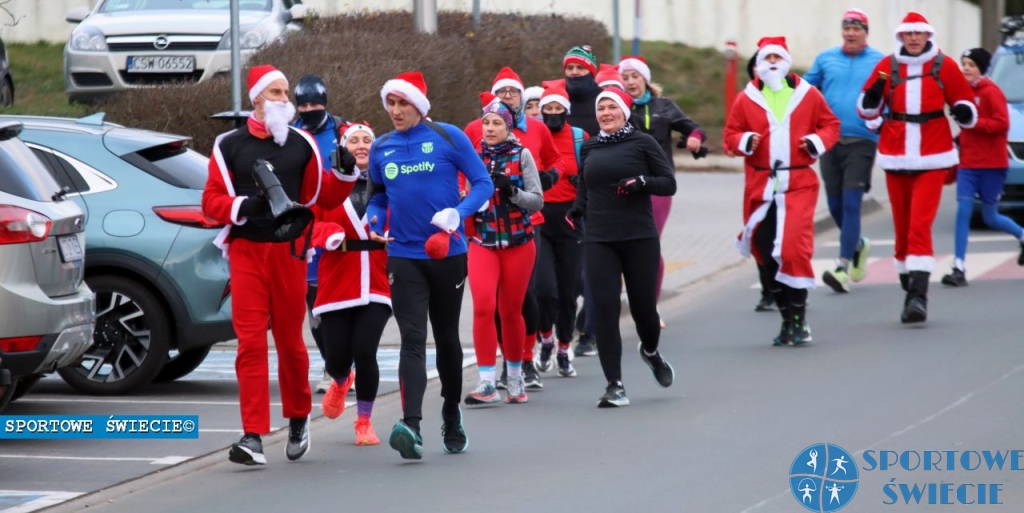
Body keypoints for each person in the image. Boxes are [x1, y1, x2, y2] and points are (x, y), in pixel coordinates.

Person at [202, 65, 357, 465]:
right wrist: (245, 206)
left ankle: (299, 417)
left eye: (286, 93)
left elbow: (322, 199)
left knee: (290, 342)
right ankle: (252, 435)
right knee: (251, 343)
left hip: (290, 251)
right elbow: (211, 202)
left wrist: (344, 172)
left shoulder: (302, 143)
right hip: (247, 251)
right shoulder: (229, 145)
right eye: (276, 92)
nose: (285, 100)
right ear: (256, 98)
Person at [366, 71, 491, 460]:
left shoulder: (447, 136)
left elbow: (483, 183)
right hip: (403, 255)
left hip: (447, 253)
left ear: (418, 105)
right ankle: (412, 425)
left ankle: (451, 412)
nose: (396, 110)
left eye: (403, 103)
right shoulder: (381, 147)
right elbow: (377, 197)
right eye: (391, 103)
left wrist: (458, 213)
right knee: (412, 337)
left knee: (447, 338)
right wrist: (373, 222)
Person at [857, 12, 977, 323]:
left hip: (933, 155)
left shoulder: (944, 65)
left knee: (919, 226)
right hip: (896, 153)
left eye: (918, 33)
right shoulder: (886, 66)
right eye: (908, 34)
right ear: (901, 36)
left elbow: (965, 101)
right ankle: (909, 279)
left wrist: (964, 111)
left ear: (927, 36)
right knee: (902, 229)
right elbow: (867, 110)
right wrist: (871, 98)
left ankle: (917, 298)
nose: (913, 39)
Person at [723, 37, 841, 346]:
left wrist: (814, 142)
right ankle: (787, 318)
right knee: (765, 251)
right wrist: (746, 141)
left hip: (798, 182)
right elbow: (730, 136)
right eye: (767, 58)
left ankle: (799, 319)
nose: (773, 62)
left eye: (777, 57)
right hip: (760, 184)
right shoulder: (746, 98)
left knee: (791, 250)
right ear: (759, 64)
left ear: (786, 62)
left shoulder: (807, 94)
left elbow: (831, 126)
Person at [567, 87, 677, 407]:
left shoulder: (643, 143)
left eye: (611, 107)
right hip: (599, 238)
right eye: (601, 108)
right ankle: (614, 385)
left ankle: (651, 351)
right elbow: (585, 184)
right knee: (604, 308)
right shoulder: (589, 146)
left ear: (624, 112)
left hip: (639, 236)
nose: (605, 113)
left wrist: (642, 182)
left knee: (644, 310)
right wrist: (577, 208)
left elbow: (668, 183)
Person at [464, 67, 563, 391]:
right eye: (486, 123)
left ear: (509, 126)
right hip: (483, 241)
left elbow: (537, 201)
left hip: (519, 240)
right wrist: (465, 201)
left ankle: (518, 371)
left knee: (511, 309)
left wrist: (512, 192)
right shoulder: (472, 155)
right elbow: (462, 192)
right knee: (483, 307)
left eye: (497, 123)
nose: (489, 128)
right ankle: (486, 381)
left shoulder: (523, 154)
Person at [309, 121, 391, 446]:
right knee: (337, 359)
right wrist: (327, 233)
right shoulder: (327, 187)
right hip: (336, 279)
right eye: (353, 141)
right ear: (343, 148)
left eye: (367, 140)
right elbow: (308, 225)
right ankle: (342, 380)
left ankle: (364, 422)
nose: (361, 145)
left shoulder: (387, 183)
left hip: (376, 279)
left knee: (365, 350)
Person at [619, 55, 706, 326]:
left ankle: (651, 307)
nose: (630, 82)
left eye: (635, 76)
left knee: (650, 242)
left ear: (645, 79)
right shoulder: (616, 107)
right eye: (625, 77)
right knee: (625, 244)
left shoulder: (663, 106)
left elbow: (693, 128)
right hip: (626, 183)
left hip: (658, 182)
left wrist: (694, 138)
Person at [803, 8, 885, 294]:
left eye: (856, 29)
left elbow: (891, 97)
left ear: (865, 33)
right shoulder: (825, 59)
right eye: (847, 28)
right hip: (828, 140)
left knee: (851, 204)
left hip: (862, 141)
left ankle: (842, 267)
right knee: (835, 206)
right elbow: (804, 90)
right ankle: (858, 245)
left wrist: (884, 125)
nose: (851, 33)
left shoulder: (880, 62)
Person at [942, 48, 1024, 286]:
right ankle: (958, 267)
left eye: (972, 65)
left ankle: (1022, 235)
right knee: (963, 211)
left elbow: (1001, 124)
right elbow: (966, 129)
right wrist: (955, 142)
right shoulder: (963, 93)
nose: (966, 68)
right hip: (968, 164)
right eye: (964, 64)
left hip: (992, 165)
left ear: (983, 68)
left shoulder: (991, 92)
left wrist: (973, 122)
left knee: (990, 216)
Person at [291, 73, 348, 394]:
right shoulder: (289, 134)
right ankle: (331, 366)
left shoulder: (343, 131)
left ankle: (343, 366)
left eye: (314, 104)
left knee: (341, 305)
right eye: (303, 105)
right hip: (306, 230)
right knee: (315, 309)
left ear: (325, 102)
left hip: (340, 228)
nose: (308, 110)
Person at [535, 85, 587, 379]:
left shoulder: (580, 138)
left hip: (571, 220)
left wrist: (584, 183)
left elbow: (594, 172)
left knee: (568, 293)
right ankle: (545, 340)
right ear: (541, 111)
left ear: (566, 111)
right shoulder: (535, 135)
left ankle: (564, 348)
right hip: (539, 219)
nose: (553, 114)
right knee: (545, 290)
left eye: (558, 109)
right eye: (548, 109)